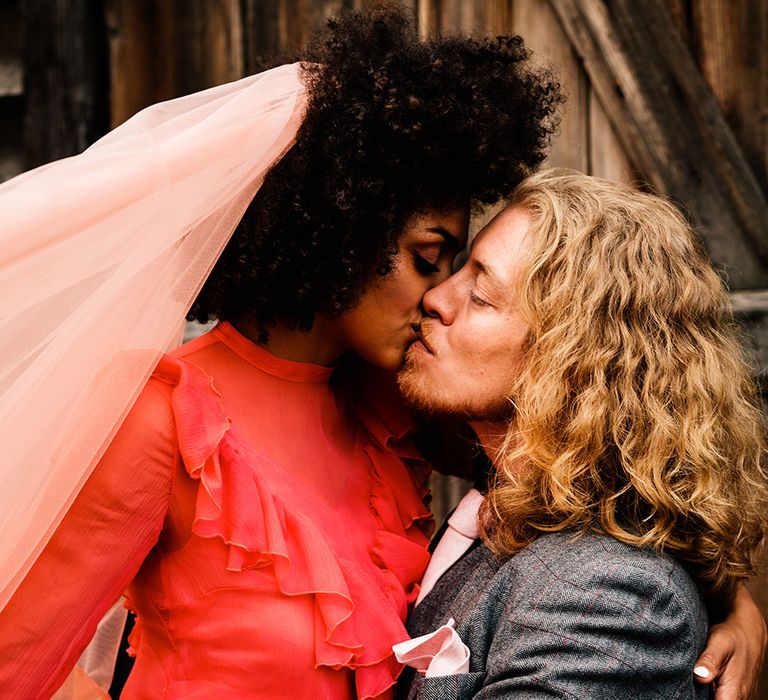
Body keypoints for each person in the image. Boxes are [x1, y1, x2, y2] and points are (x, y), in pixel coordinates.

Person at [0, 9, 761, 699]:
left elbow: (625, 456)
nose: (439, 296)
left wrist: (739, 607)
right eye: (429, 258)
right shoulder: (165, 416)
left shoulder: (395, 403)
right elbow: (20, 658)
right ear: (341, 231)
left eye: (462, 272)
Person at [394, 169, 768, 699]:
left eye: (480, 294)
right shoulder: (505, 503)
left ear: (570, 361)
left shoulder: (607, 597)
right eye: (456, 269)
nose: (437, 298)